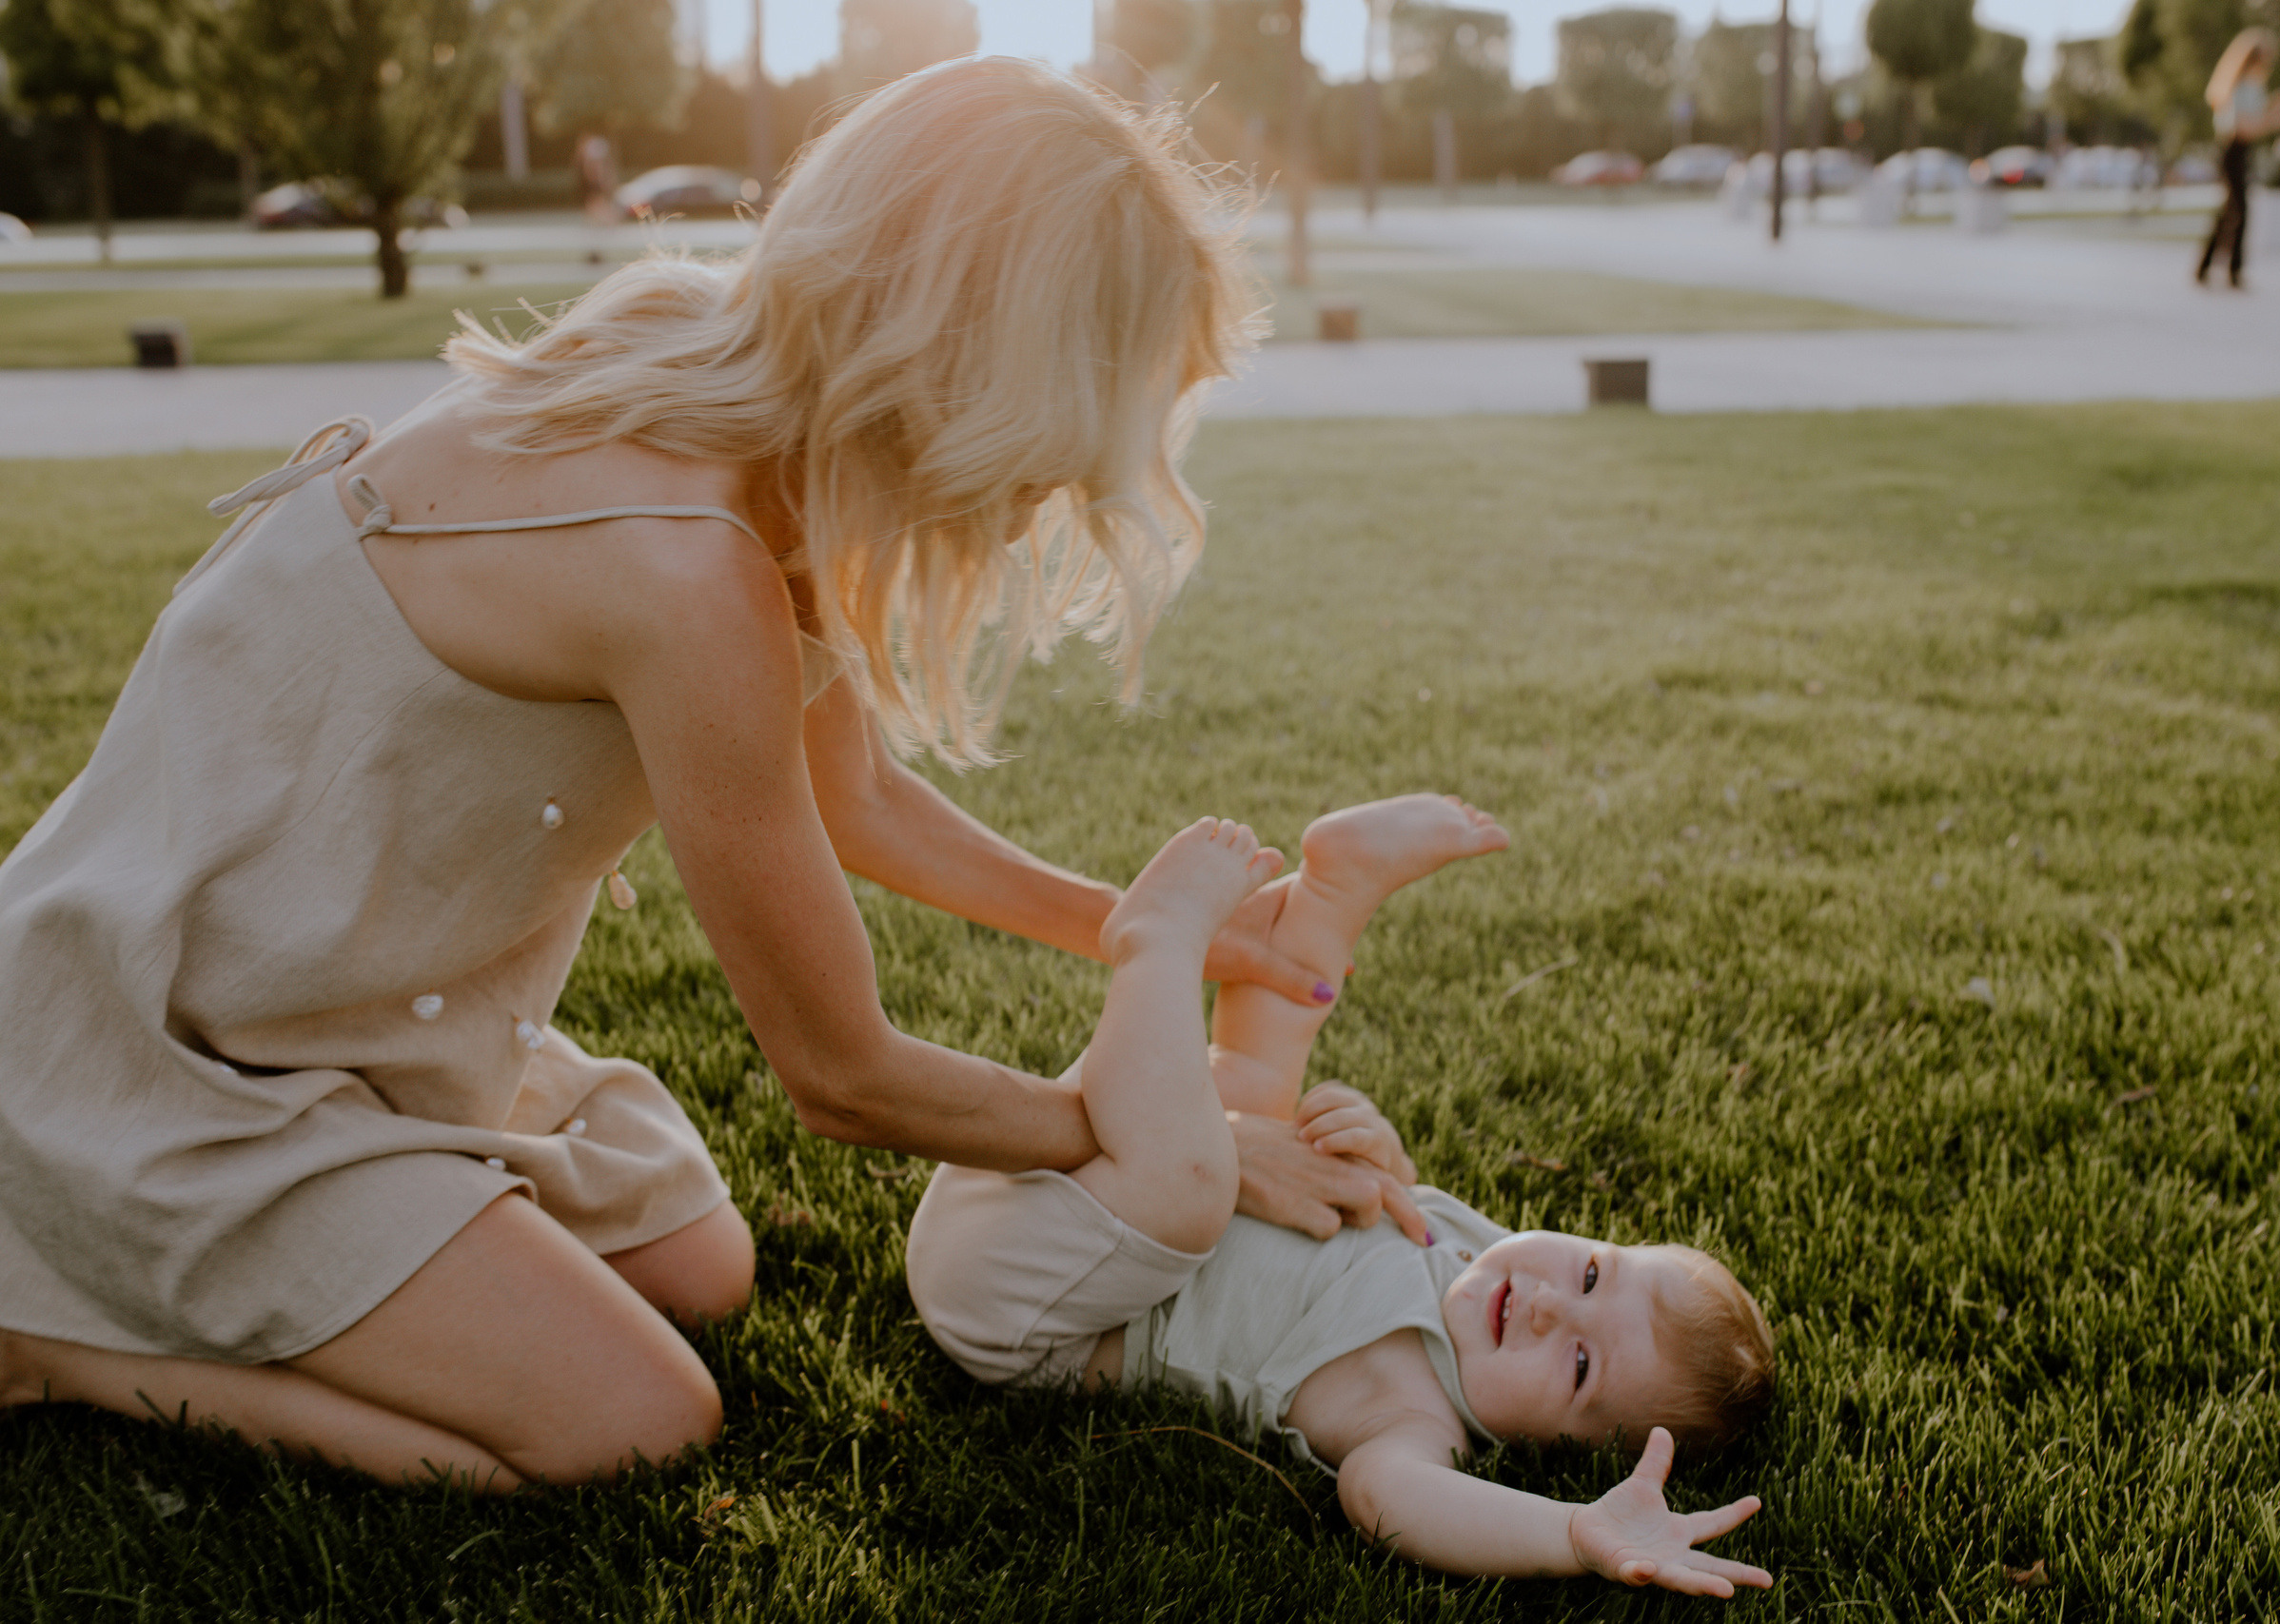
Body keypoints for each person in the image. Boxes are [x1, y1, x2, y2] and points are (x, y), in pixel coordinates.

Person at [0, 59, 1428, 1491]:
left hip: (345, 1002)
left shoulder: (715, 366)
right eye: (1070, 433)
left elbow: (858, 802)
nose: (1053, 491)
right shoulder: (685, 568)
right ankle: (52, 1339)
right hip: (175, 1046)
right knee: (627, 1420)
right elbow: (843, 1072)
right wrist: (1177, 1144)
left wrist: (1153, 930)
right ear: (975, 365)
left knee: (701, 1264)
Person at [906, 796, 1778, 1593]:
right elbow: (1363, 1201)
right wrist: (1368, 1143)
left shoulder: (1416, 1413)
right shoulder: (1477, 1252)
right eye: (1591, 1273)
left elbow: (1387, 1498)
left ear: (1555, 1449)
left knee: (1196, 1184)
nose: (1550, 1306)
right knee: (1253, 1092)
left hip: (1015, 1296)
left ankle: (1161, 942)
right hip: (1049, 1174)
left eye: (1580, 1368)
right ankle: (1330, 895)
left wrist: (1575, 1531)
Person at [2196, 29, 2280, 289]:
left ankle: (2204, 266)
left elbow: (2256, 120)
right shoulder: (2237, 86)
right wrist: (2273, 119)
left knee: (2229, 210)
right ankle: (2234, 270)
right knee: (2240, 209)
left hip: (2243, 151)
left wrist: (2275, 110)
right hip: (2233, 150)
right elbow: (2243, 127)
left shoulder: (2254, 87)